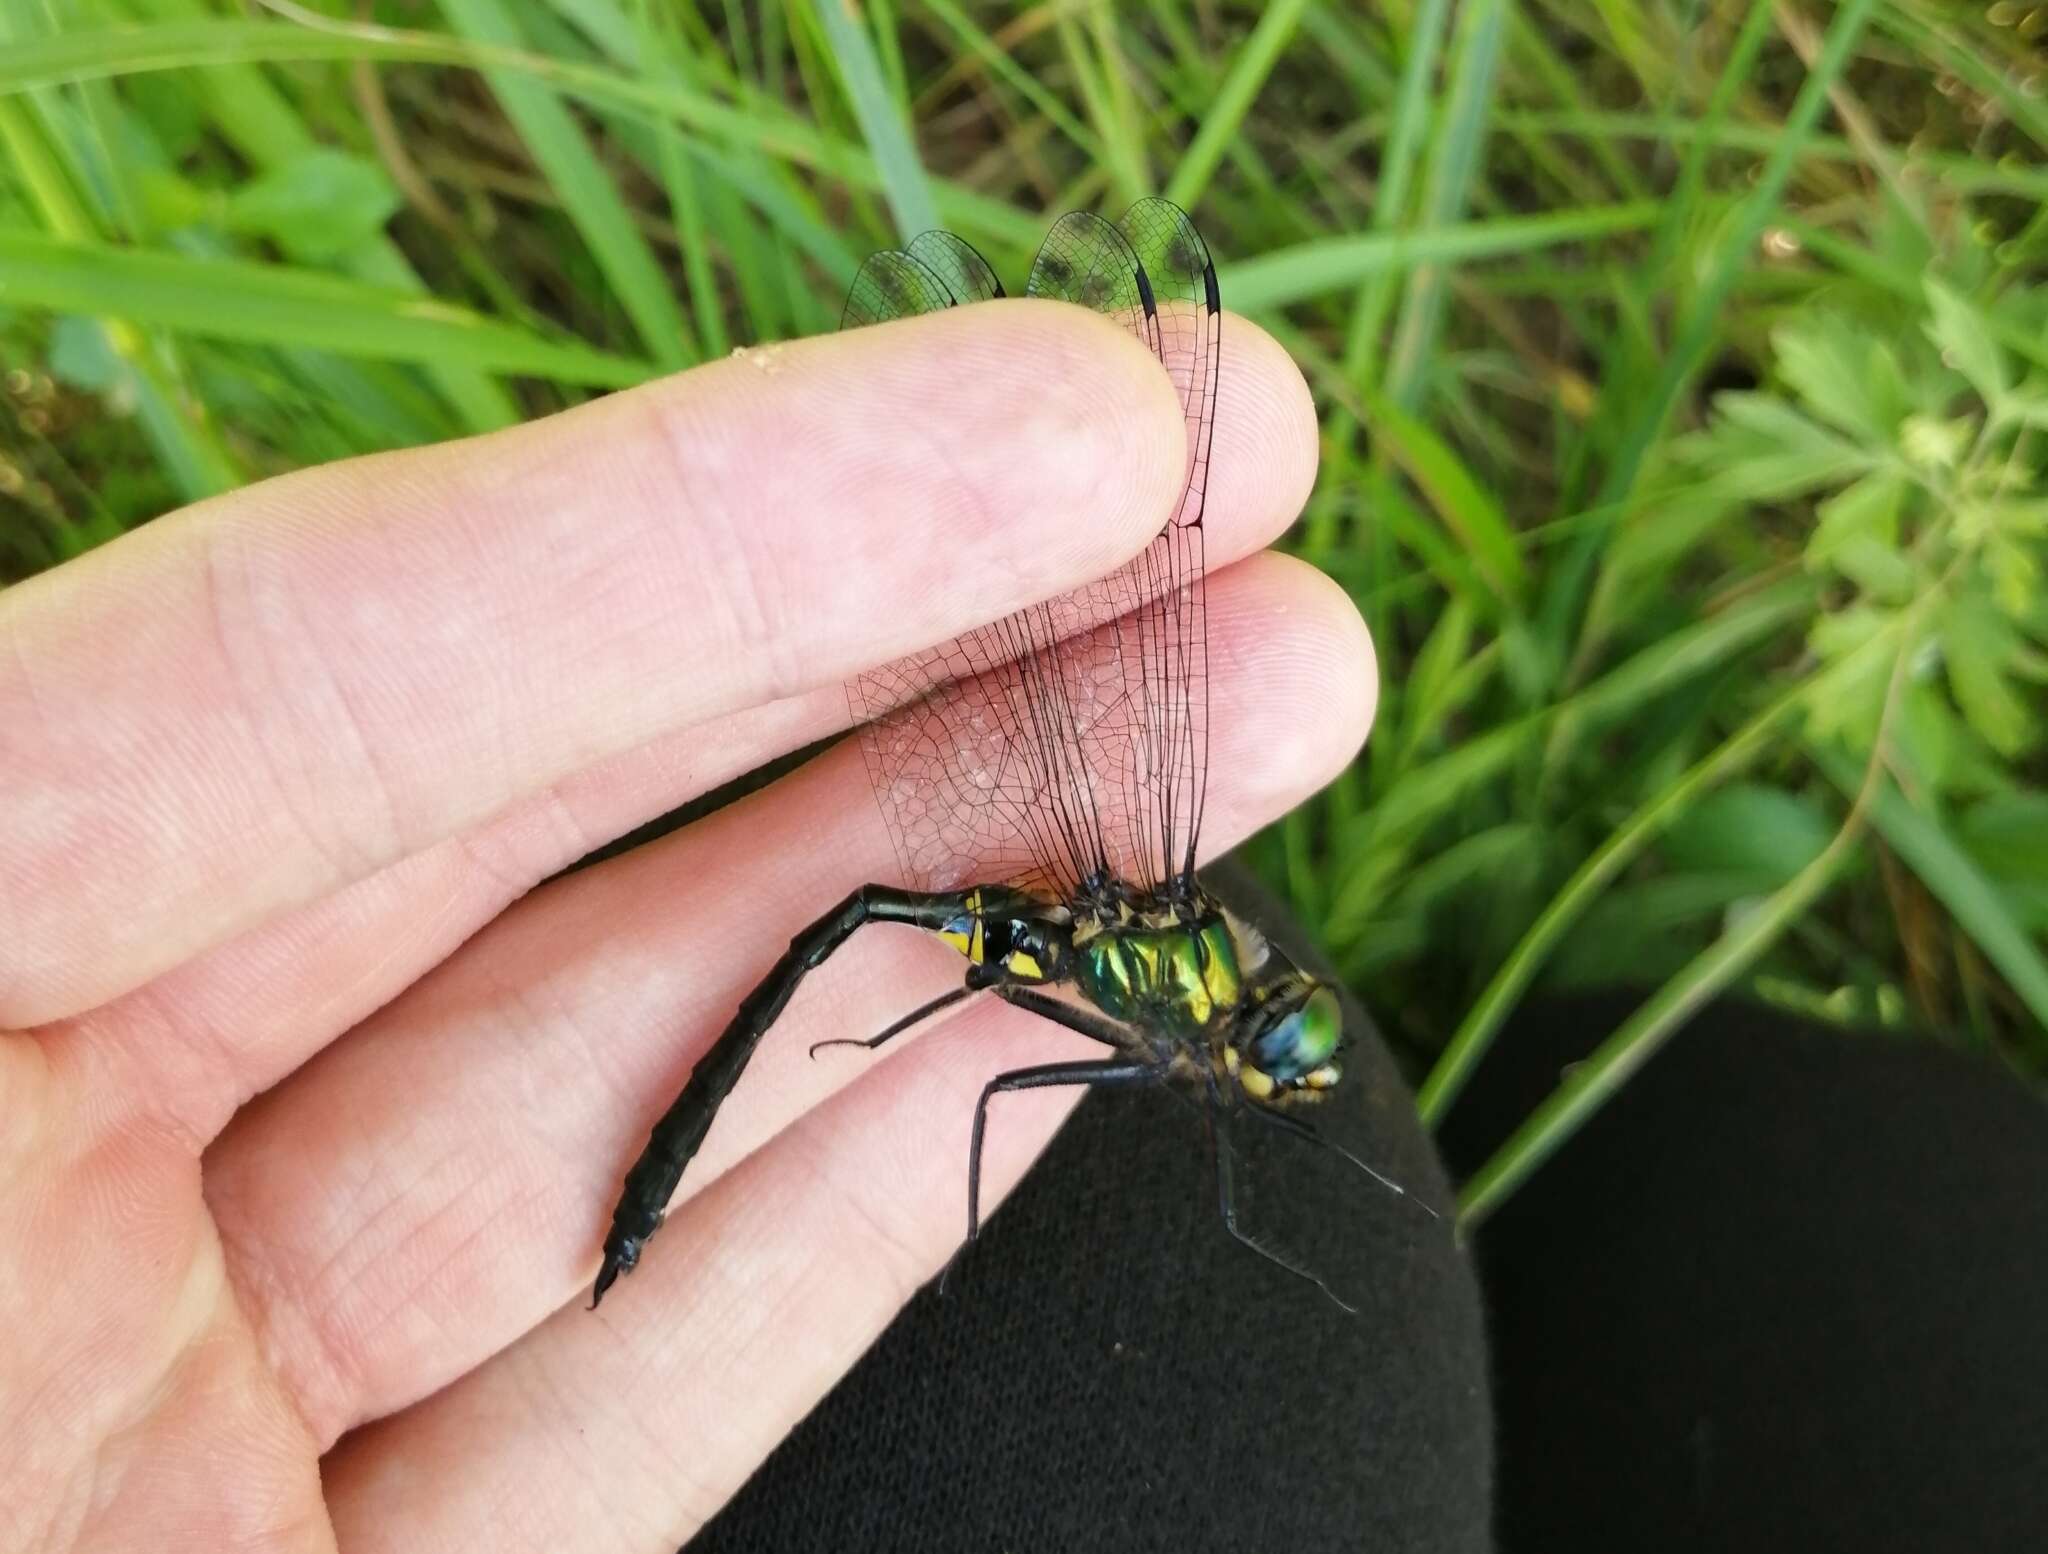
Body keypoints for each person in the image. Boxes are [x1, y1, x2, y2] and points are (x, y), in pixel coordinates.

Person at [2, 301, 1495, 1551]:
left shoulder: (1171, 979)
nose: (1280, 1040)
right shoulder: (1179, 1010)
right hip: (917, 921)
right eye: (1278, 1036)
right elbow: (1014, 1072)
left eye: (1273, 1041)